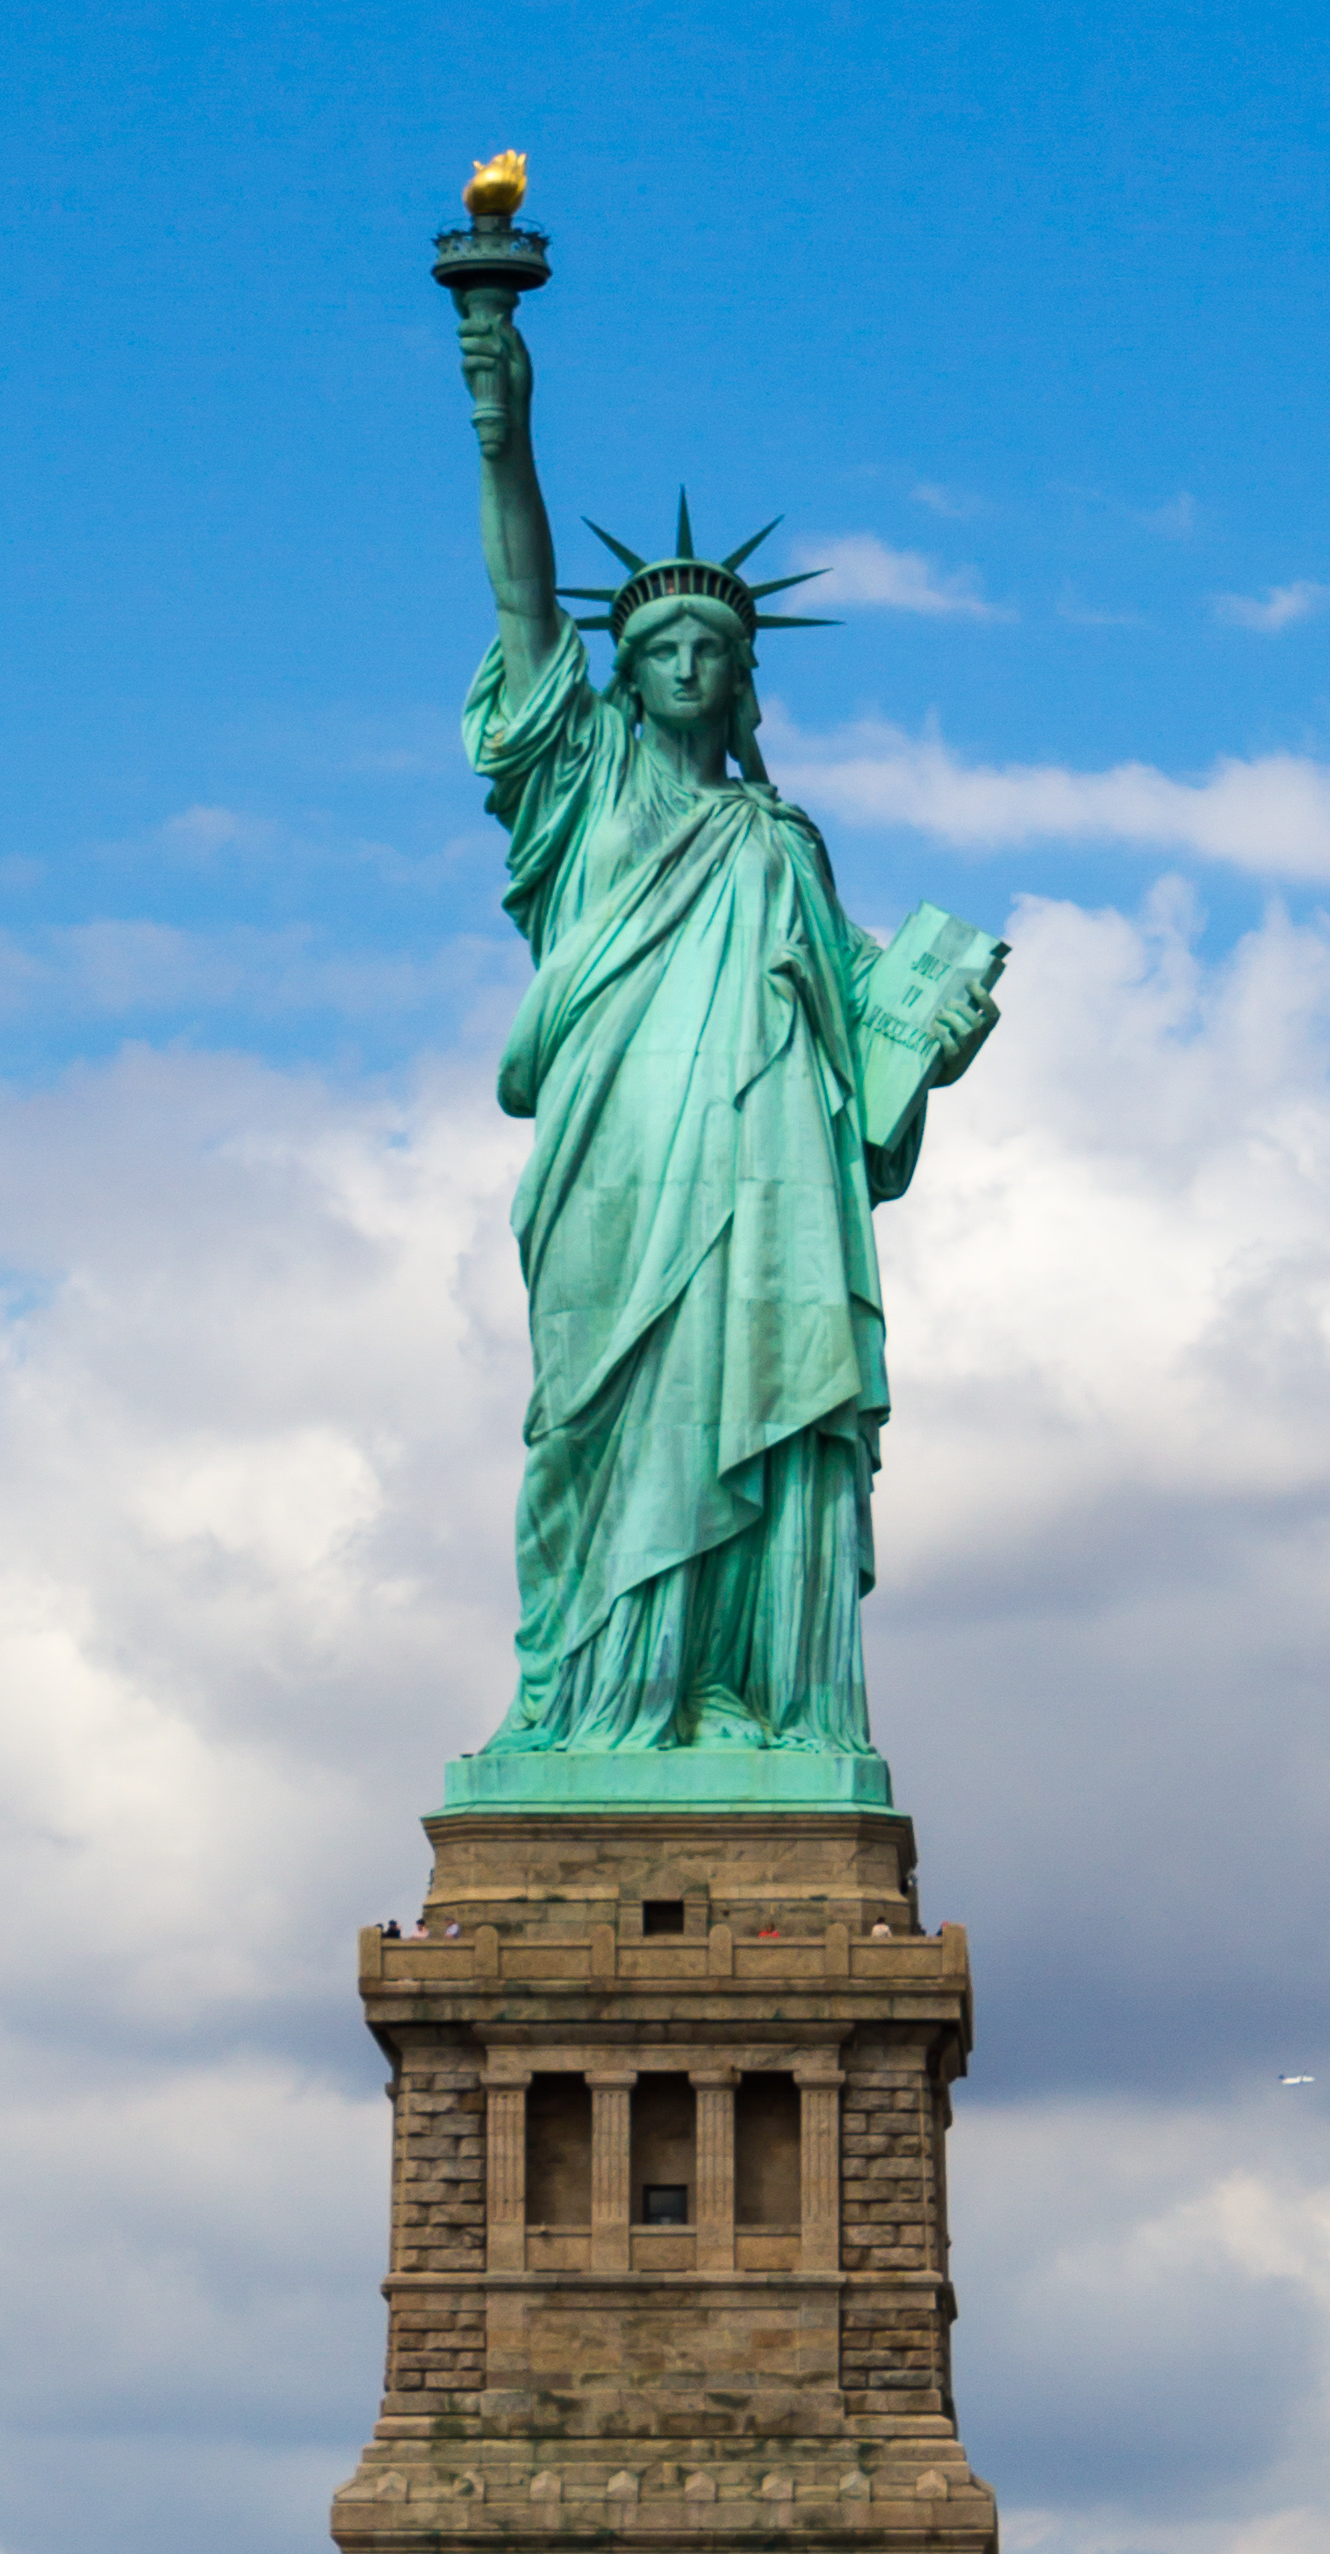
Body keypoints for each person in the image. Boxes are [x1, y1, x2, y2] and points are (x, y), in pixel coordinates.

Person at [446, 248, 997, 1773]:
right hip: (616, 1163)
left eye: (714, 653)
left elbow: (860, 1052)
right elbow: (516, 587)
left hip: (762, 1191)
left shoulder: (780, 844)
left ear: (746, 686)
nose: (685, 664)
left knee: (742, 1395)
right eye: (659, 649)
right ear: (620, 677)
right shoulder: (584, 781)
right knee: (594, 1420)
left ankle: (745, 1697)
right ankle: (590, 1701)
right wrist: (503, 410)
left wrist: (931, 1030)